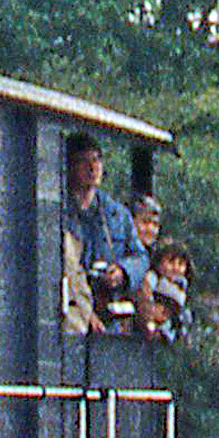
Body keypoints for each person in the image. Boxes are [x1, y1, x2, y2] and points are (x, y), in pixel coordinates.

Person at [61, 137, 146, 331]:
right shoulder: (59, 211)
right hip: (72, 317)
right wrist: (84, 311)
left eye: (96, 159)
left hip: (109, 316)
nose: (92, 168)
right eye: (83, 161)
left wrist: (123, 272)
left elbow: (140, 257)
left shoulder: (117, 215)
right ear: (70, 167)